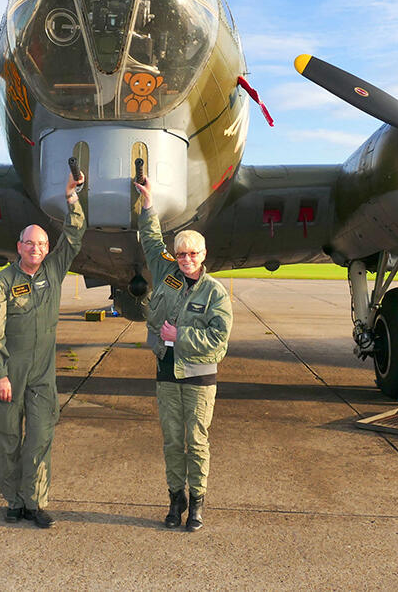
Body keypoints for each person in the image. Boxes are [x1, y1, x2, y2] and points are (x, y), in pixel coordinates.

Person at [0, 170, 85, 529]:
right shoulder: (1, 284)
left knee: (40, 437)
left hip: (43, 374)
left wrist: (72, 199)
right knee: (9, 440)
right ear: (19, 246)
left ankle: (35, 502)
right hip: (11, 374)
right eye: (30, 244)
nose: (37, 249)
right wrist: (0, 375)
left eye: (41, 244)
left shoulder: (53, 270)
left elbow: (73, 237)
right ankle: (14, 501)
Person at [133, 175, 232, 532]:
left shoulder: (216, 293)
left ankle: (198, 504)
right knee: (172, 440)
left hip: (199, 377)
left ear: (203, 256)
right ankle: (176, 500)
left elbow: (219, 341)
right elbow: (150, 240)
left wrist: (181, 335)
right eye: (181, 254)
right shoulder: (168, 274)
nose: (186, 259)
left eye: (192, 254)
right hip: (167, 372)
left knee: (196, 439)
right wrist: (147, 204)